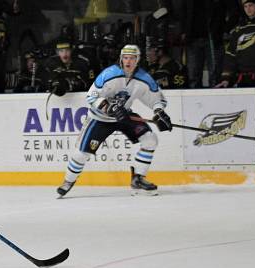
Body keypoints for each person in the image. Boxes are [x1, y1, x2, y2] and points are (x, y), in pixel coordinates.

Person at [57, 45, 172, 198]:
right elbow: (91, 97)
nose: (128, 61)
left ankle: (138, 179)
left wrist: (159, 111)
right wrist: (108, 107)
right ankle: (68, 181)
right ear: (121, 58)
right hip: (100, 118)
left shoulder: (144, 78)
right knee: (81, 154)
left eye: (132, 58)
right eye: (125, 57)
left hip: (124, 116)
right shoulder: (109, 74)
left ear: (137, 60)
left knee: (150, 140)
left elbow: (157, 99)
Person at [216, 0, 255, 88]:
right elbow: (230, 54)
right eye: (245, 6)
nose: (248, 9)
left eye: (250, 5)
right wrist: (226, 78)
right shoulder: (239, 29)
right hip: (243, 78)